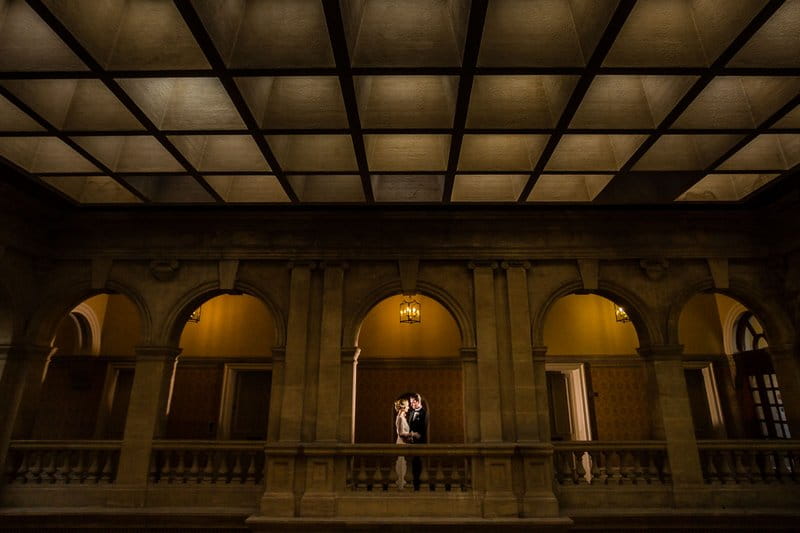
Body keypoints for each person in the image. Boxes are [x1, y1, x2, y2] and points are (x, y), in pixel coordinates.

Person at [406, 392, 428, 490]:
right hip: (411, 442)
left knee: (418, 462)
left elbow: (424, 428)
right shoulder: (411, 413)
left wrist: (417, 435)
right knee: (411, 463)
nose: (411, 404)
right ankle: (413, 481)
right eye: (411, 402)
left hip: (420, 442)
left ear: (418, 401)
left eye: (413, 402)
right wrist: (410, 435)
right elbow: (409, 427)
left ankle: (417, 484)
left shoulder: (424, 412)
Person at [393, 398, 414, 489]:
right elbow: (401, 433)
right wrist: (412, 434)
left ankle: (401, 482)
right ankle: (401, 483)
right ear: (403, 407)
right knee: (401, 463)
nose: (408, 407)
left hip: (402, 443)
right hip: (401, 443)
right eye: (407, 406)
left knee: (402, 463)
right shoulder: (401, 418)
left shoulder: (401, 417)